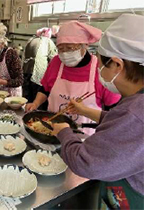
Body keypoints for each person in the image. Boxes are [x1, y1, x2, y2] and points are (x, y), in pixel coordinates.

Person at [51, 14, 144, 209]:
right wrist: (85, 110)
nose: (99, 67)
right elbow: (121, 123)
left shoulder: (135, 112)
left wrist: (64, 131)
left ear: (118, 65)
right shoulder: (136, 105)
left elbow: (85, 162)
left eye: (102, 64)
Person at [25, 21, 121, 135]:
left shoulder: (100, 68)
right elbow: (45, 89)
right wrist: (35, 103)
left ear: (85, 45)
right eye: (60, 48)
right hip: (51, 129)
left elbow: (113, 111)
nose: (64, 53)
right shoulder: (56, 62)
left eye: (69, 48)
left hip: (83, 136)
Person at [23, 28, 57, 110]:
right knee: (37, 100)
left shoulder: (31, 39)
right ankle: (36, 117)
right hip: (38, 73)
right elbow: (54, 59)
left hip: (26, 71)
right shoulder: (48, 41)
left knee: (28, 99)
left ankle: (26, 114)